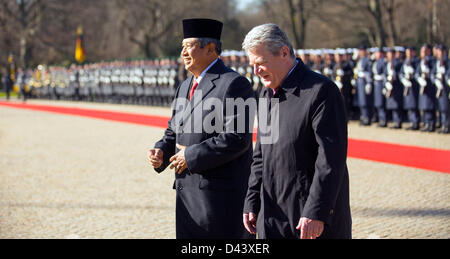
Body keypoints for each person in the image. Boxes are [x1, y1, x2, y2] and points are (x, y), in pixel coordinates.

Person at [147, 18, 255, 239]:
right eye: (182, 46)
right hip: (187, 195)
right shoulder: (185, 85)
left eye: (190, 46)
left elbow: (237, 138)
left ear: (211, 48)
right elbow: (173, 130)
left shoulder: (234, 83)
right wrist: (161, 151)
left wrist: (190, 155)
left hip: (217, 198)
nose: (184, 52)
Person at [242, 23, 351, 239]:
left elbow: (330, 160)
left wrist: (316, 211)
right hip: (271, 214)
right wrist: (252, 199)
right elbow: (260, 155)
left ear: (284, 52)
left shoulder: (321, 91)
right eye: (252, 65)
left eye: (261, 63)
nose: (256, 71)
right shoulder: (266, 94)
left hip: (307, 218)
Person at [416, 44, 436, 132]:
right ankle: (426, 123)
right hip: (422, 85)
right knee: (424, 106)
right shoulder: (420, 61)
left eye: (424, 51)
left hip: (430, 87)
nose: (423, 53)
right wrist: (419, 79)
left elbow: (434, 71)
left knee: (429, 106)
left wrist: (429, 72)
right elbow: (417, 73)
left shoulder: (432, 60)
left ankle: (431, 124)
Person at [400, 46, 420, 130]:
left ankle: (416, 122)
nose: (408, 54)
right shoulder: (405, 61)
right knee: (409, 105)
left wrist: (413, 73)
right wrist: (403, 79)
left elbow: (418, 72)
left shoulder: (416, 61)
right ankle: (411, 121)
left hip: (413, 86)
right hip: (407, 86)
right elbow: (400, 73)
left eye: (410, 52)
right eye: (407, 53)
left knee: (413, 104)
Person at [431, 44, 449, 134]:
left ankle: (446, 125)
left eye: (441, 51)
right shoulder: (437, 62)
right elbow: (432, 74)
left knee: (445, 108)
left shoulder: (447, 62)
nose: (439, 53)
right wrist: (436, 80)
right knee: (441, 107)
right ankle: (443, 124)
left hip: (446, 89)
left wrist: (445, 77)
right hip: (439, 88)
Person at [354, 45, 374, 125]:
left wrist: (369, 83)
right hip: (360, 82)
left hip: (365, 82)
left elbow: (369, 72)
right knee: (361, 101)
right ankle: (363, 116)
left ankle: (367, 118)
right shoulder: (359, 60)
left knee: (365, 101)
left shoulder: (367, 60)